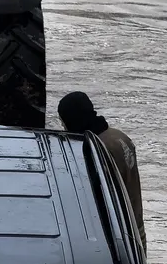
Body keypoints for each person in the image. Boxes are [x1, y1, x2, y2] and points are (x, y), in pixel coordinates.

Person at [57, 91, 146, 248]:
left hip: (117, 239)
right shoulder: (119, 136)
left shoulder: (96, 149)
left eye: (64, 123)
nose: (64, 128)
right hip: (135, 229)